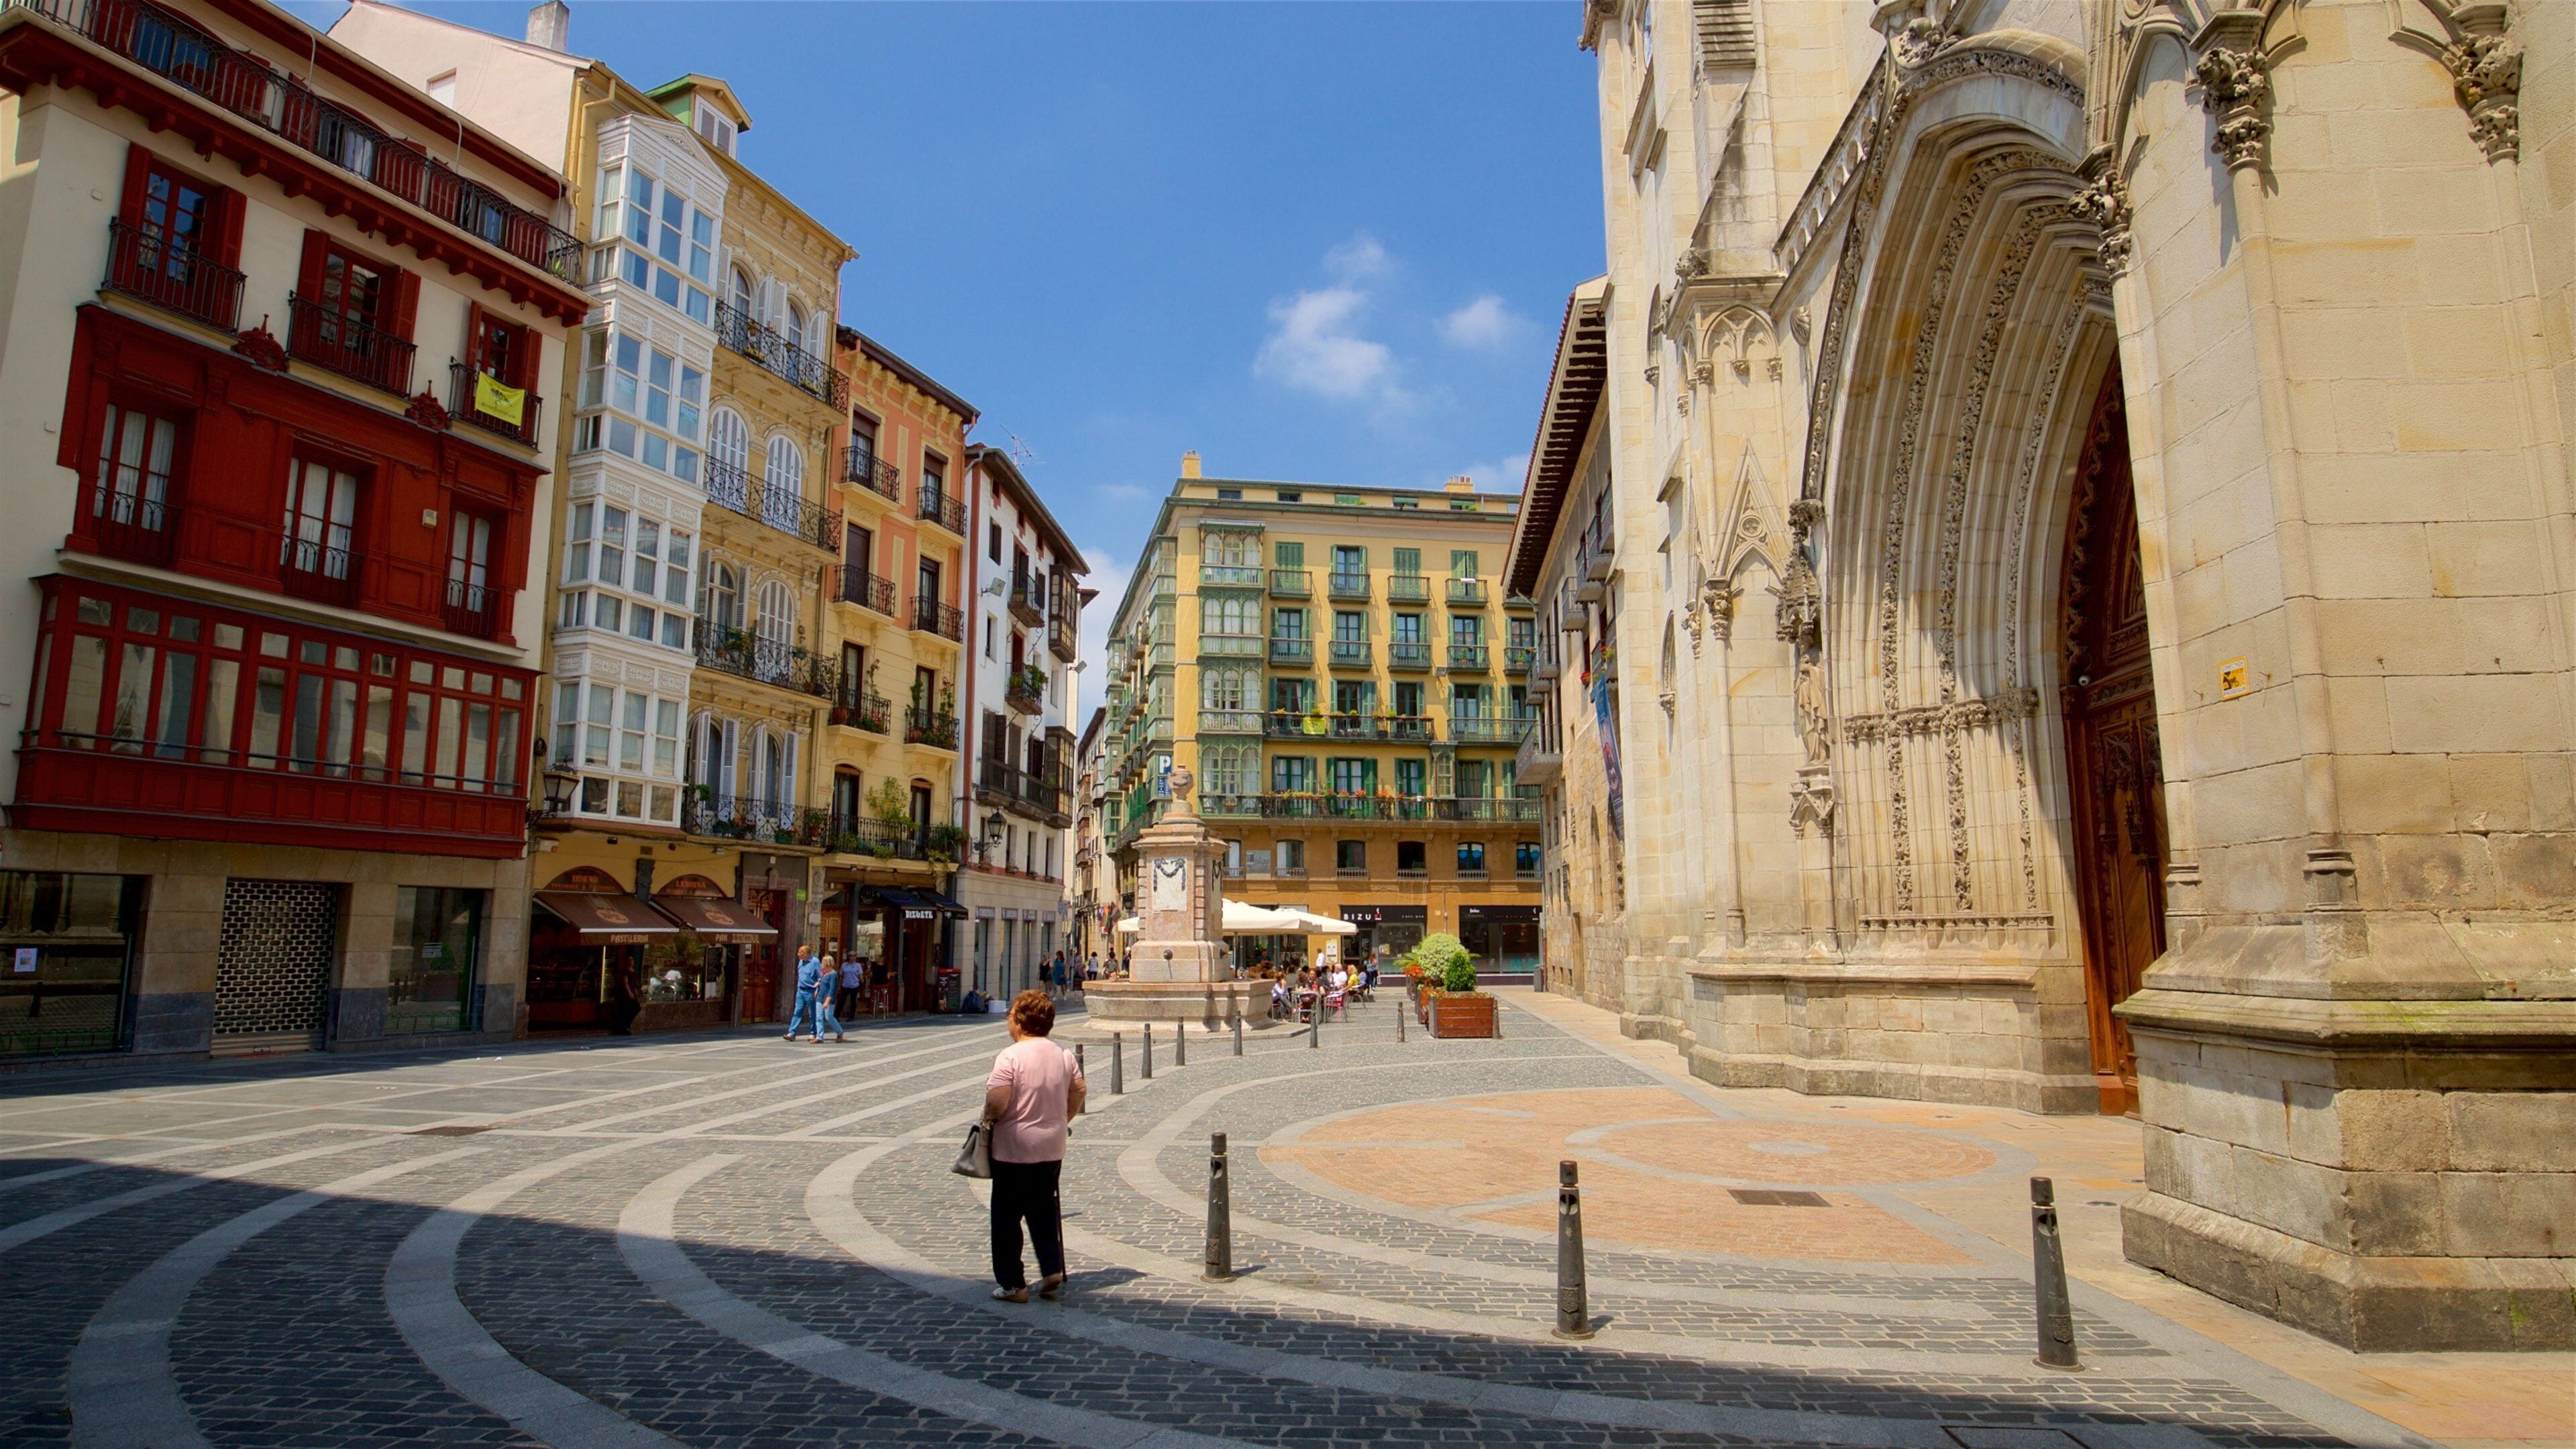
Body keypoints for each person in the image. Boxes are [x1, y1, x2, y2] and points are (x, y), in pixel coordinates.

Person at [982, 988, 1083, 1303]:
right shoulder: (1063, 1053)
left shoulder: (1010, 1056)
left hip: (1015, 1146)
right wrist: (1061, 1118)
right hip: (1051, 1145)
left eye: (1011, 1016)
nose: (1008, 1022)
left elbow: (998, 1101)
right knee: (1042, 1207)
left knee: (1006, 1216)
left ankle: (1013, 1285)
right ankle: (1051, 1266)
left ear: (1021, 1022)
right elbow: (1079, 1089)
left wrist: (987, 1119)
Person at [784, 945, 824, 1042]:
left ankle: (813, 1033)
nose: (798, 954)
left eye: (800, 953)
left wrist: (818, 987)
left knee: (812, 1013)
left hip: (811, 991)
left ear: (806, 954)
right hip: (801, 990)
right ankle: (792, 1033)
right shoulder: (801, 961)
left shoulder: (815, 962)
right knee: (797, 1012)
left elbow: (821, 976)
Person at [814, 953, 847, 1042]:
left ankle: (839, 1031)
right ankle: (819, 1037)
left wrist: (827, 1001)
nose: (821, 964)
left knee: (829, 1017)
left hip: (828, 998)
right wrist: (817, 986)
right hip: (820, 998)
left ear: (827, 963)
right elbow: (821, 983)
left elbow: (832, 989)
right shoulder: (824, 974)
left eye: (823, 962)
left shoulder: (833, 974)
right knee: (819, 1018)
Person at [838, 954, 863, 1020]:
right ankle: (837, 1015)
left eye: (855, 957)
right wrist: (839, 986)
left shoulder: (858, 965)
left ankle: (852, 1016)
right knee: (842, 1001)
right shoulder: (844, 966)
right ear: (849, 957)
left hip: (854, 985)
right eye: (852, 957)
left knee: (853, 1001)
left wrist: (862, 980)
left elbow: (860, 974)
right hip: (845, 985)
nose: (853, 958)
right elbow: (841, 976)